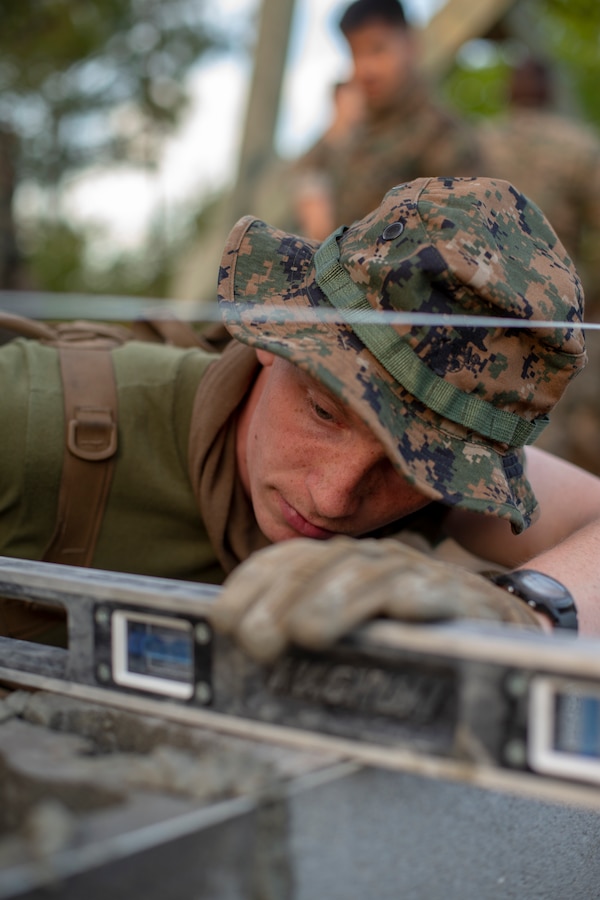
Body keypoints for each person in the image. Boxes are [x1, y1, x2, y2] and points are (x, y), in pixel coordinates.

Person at [1, 177, 600, 657]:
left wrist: (527, 612)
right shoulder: (30, 418)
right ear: (273, 332)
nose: (336, 498)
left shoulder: (442, 475)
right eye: (324, 412)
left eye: (406, 464)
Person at [479, 56, 600, 476]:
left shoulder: (478, 144)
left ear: (509, 92)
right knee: (565, 428)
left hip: (486, 303)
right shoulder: (581, 146)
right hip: (564, 309)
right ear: (548, 92)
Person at [292, 0, 482, 239]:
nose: (366, 69)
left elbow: (458, 239)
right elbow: (306, 173)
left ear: (411, 45)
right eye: (355, 54)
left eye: (377, 49)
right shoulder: (353, 126)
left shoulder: (440, 134)